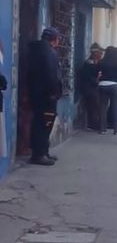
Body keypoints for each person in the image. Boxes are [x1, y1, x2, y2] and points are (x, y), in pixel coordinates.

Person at [27, 27, 63, 166]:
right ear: (55, 39)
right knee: (44, 124)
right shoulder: (48, 52)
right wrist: (53, 92)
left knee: (41, 123)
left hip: (38, 93)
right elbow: (51, 75)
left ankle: (43, 151)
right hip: (47, 95)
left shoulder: (36, 50)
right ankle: (39, 154)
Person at [98, 47, 117, 135]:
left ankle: (102, 129)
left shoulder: (101, 62)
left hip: (102, 85)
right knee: (115, 107)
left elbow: (97, 72)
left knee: (103, 107)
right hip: (115, 85)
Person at [78, 43, 103, 131]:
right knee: (93, 105)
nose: (101, 55)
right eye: (99, 53)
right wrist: (96, 80)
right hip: (89, 88)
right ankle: (92, 124)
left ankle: (95, 123)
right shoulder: (88, 63)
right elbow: (87, 76)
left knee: (95, 105)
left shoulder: (98, 63)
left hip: (94, 87)